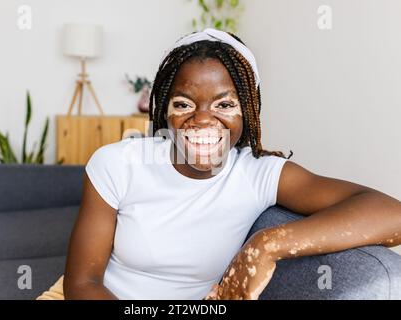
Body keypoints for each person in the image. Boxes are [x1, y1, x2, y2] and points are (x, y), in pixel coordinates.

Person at [37, 28, 401, 300]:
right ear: (163, 108)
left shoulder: (257, 174)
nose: (203, 120)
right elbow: (82, 284)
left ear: (249, 113)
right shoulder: (118, 163)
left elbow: (392, 215)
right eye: (183, 104)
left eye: (224, 105)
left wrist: (267, 245)